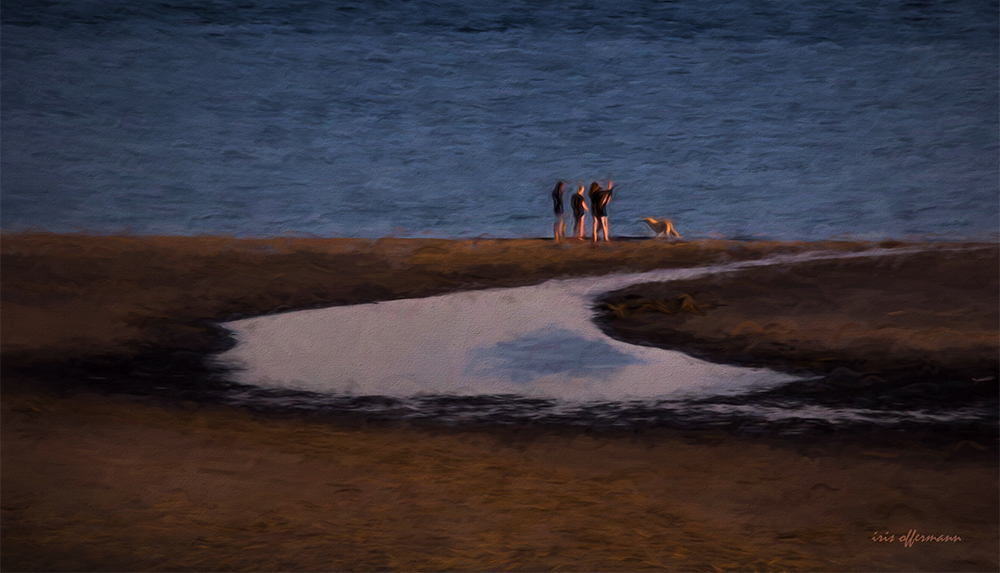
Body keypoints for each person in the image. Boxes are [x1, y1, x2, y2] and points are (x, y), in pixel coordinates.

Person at [591, 178, 613, 242]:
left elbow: (604, 198)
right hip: (601, 208)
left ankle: (595, 238)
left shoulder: (592, 194)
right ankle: (606, 238)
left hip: (595, 209)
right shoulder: (598, 192)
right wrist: (609, 187)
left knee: (596, 223)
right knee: (604, 223)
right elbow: (606, 196)